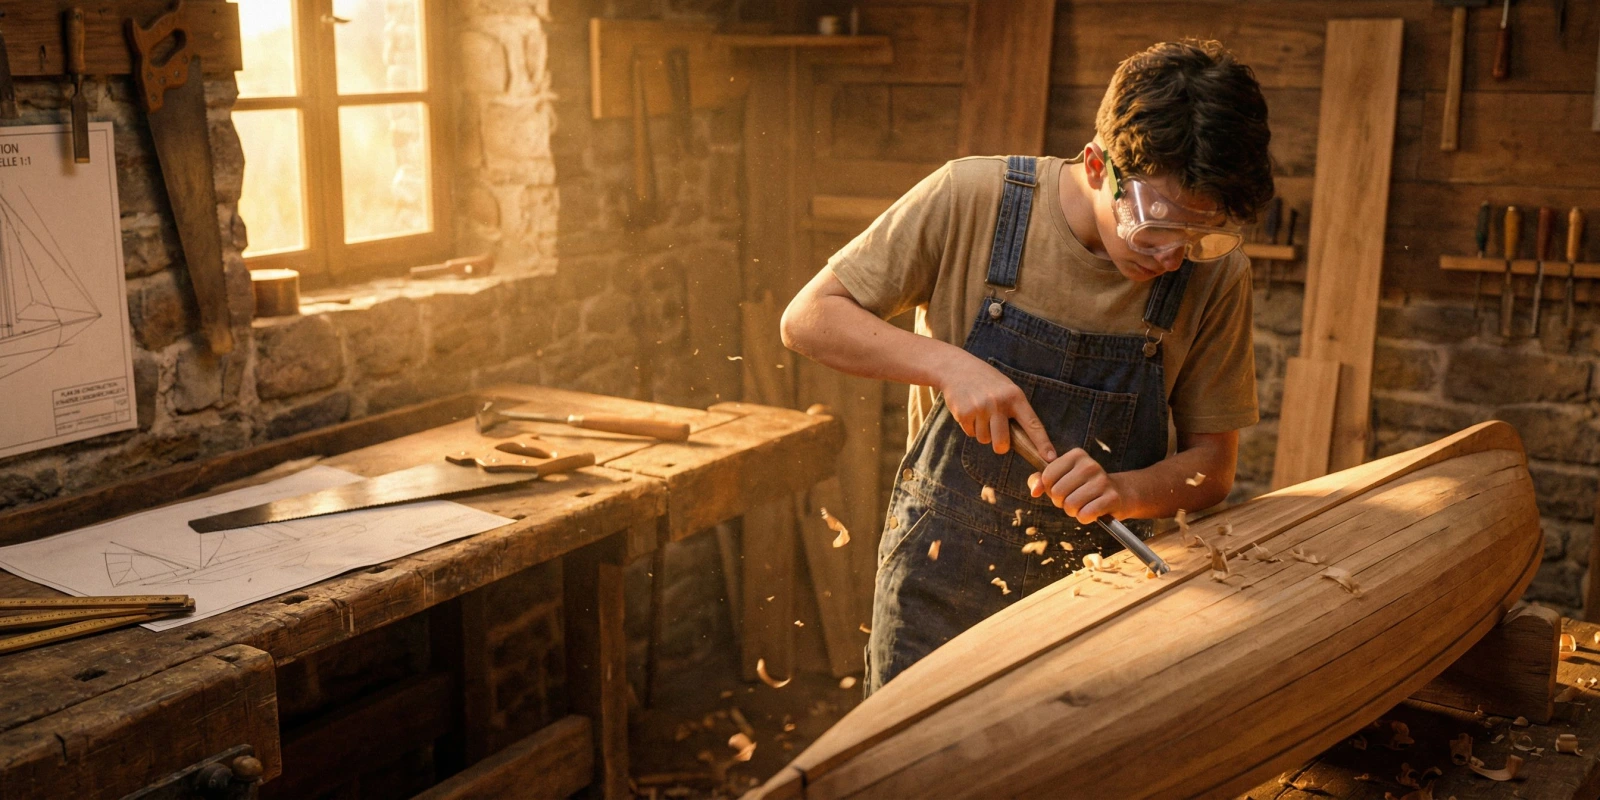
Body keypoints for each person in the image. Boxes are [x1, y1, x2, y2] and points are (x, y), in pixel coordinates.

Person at [779, 39, 1275, 695]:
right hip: (939, 573)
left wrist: (1124, 492)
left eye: (1198, 235)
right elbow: (808, 317)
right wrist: (949, 366)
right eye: (1156, 226)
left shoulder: (1215, 277)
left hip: (1097, 590)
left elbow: (1213, 468)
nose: (1172, 258)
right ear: (1097, 165)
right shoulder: (972, 198)